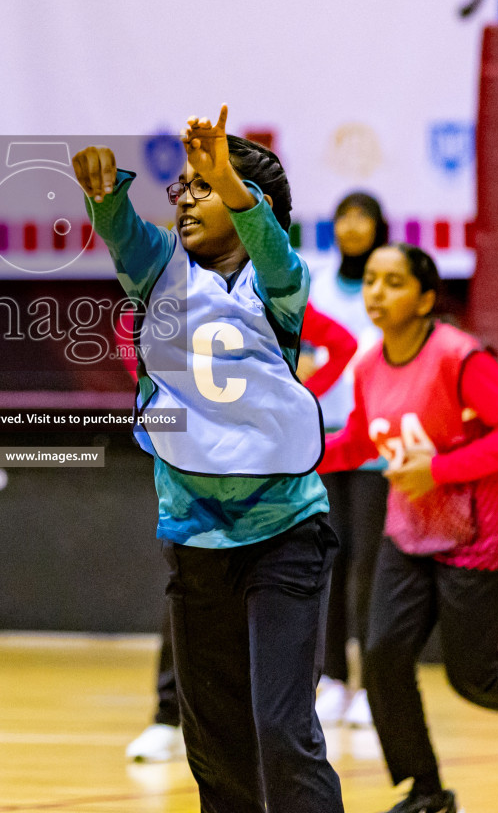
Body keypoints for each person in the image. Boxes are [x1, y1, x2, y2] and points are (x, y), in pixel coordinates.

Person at [77, 108, 343, 812]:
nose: (185, 198)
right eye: (183, 188)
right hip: (195, 538)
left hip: (286, 533)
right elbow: (127, 238)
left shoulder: (279, 286)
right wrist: (105, 200)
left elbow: (274, 250)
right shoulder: (161, 279)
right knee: (215, 747)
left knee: (283, 732)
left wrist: (230, 180)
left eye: (203, 188)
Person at [324, 244, 498, 813]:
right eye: (372, 282)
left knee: (473, 677)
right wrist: (298, 454)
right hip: (407, 535)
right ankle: (426, 792)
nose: (377, 293)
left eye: (393, 282)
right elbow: (360, 439)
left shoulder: (459, 357)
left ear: (427, 298)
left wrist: (436, 470)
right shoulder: (368, 364)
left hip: (474, 538)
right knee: (382, 654)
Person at [126, 299, 357, 763]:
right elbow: (133, 345)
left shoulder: (274, 291)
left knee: (277, 606)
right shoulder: (174, 294)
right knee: (188, 607)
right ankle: (167, 718)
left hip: (269, 482)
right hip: (201, 481)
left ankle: (278, 723)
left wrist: (296, 389)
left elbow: (342, 344)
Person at [309, 190, 390, 728]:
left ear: (378, 225)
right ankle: (332, 677)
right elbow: (304, 350)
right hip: (325, 436)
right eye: (343, 217)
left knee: (369, 565)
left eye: (362, 217)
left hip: (377, 442)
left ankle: (369, 684)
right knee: (328, 559)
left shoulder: (389, 279)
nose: (352, 226)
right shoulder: (315, 280)